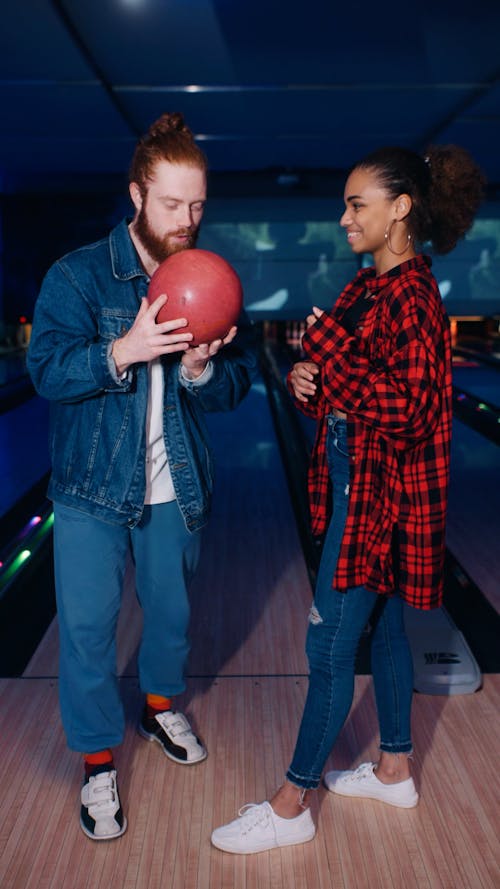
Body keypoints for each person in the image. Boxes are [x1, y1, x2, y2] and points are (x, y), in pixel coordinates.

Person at [211, 144, 484, 853]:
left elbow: (410, 407)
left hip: (380, 495)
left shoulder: (417, 299)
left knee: (328, 641)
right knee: (387, 631)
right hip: (361, 476)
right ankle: (396, 767)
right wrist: (310, 379)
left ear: (400, 209)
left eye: (356, 204)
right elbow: (351, 387)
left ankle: (291, 802)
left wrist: (328, 345)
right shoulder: (367, 288)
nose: (342, 217)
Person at [27, 112, 258, 841]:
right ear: (136, 194)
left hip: (174, 485)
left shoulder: (209, 279)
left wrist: (201, 370)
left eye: (197, 206)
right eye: (170, 204)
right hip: (93, 486)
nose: (187, 221)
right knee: (90, 629)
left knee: (171, 617)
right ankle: (98, 762)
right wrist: (119, 351)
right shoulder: (77, 275)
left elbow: (238, 385)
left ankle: (160, 707)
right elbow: (45, 372)